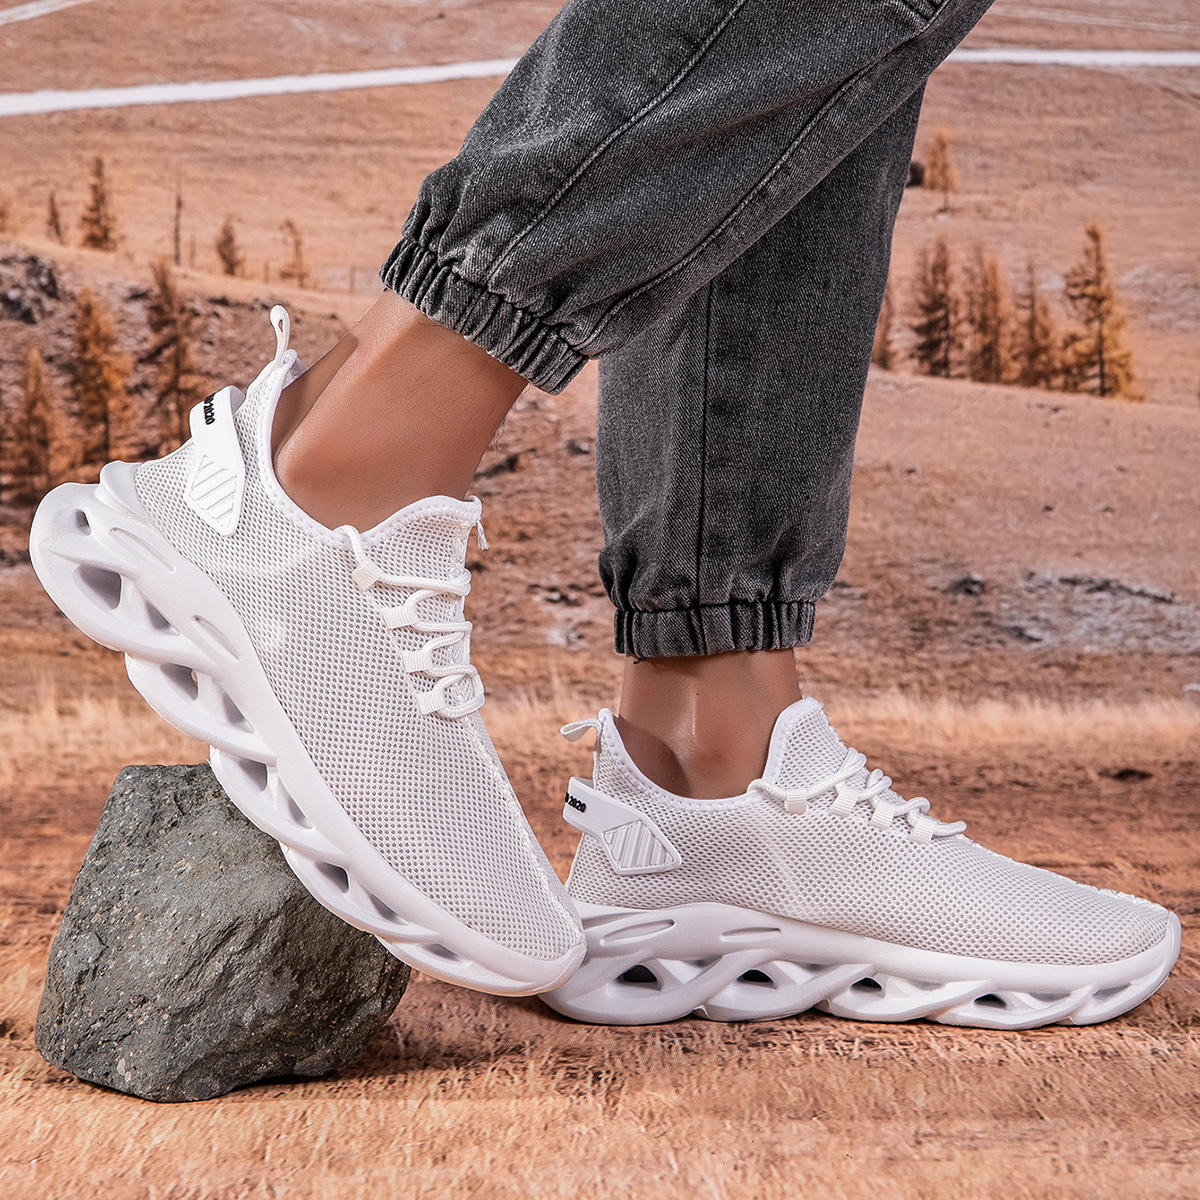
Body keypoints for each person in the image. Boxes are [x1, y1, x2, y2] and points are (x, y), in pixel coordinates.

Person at [32, 0, 1178, 1025]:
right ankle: (341, 471)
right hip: (316, 497)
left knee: (831, 90)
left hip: (708, 753)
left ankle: (713, 767)